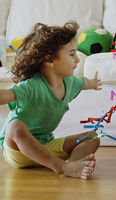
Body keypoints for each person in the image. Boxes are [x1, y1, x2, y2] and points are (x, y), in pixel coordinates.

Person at [0, 21, 102, 180]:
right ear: (49, 60)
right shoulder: (32, 86)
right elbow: (6, 96)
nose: (77, 60)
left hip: (46, 146)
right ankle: (62, 167)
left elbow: (85, 83)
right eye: (72, 54)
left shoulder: (70, 83)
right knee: (14, 127)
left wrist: (94, 83)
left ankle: (74, 165)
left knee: (93, 136)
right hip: (18, 150)